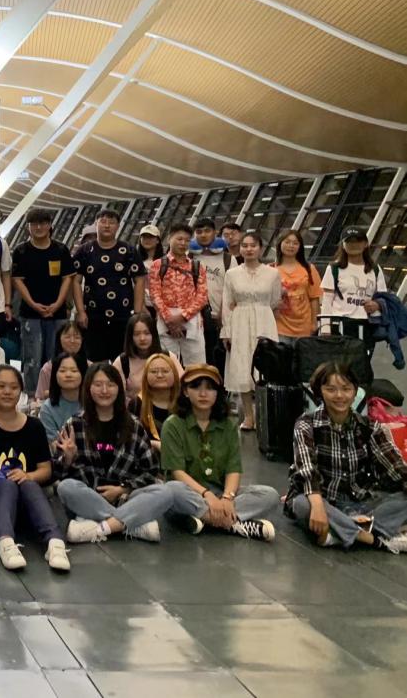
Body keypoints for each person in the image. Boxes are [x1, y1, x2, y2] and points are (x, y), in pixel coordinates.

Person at [286, 362, 407, 553]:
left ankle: (339, 534)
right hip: (324, 502)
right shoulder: (306, 424)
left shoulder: (369, 426)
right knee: (301, 504)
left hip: (361, 504)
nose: (340, 396)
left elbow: (395, 466)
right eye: (331, 389)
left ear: (355, 391)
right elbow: (307, 470)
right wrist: (317, 505)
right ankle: (372, 538)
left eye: (346, 389)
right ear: (320, 392)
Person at [0, 365, 69, 572]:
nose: (7, 392)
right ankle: (5, 542)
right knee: (7, 484)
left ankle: (55, 543)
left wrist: (28, 475)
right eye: (1, 386)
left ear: (21, 392)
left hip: (26, 499)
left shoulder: (34, 426)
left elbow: (46, 470)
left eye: (14, 387)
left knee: (29, 484)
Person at [55, 362, 171, 544]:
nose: (104, 390)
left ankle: (99, 527)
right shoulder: (75, 424)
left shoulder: (133, 425)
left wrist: (122, 489)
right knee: (66, 487)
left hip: (127, 497)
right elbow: (58, 473)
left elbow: (151, 471)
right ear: (88, 388)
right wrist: (67, 459)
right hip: (90, 496)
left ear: (119, 388)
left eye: (110, 384)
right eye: (98, 384)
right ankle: (131, 524)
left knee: (165, 491)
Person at [160, 364, 276, 541]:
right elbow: (177, 473)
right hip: (189, 493)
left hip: (220, 492)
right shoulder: (173, 424)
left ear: (218, 393)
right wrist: (206, 495)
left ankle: (206, 519)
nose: (203, 393)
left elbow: (233, 469)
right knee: (171, 490)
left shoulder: (228, 425)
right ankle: (233, 523)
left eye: (210, 388)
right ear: (185, 391)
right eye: (196, 387)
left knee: (269, 495)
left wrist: (227, 498)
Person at [221, 231, 282, 432]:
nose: (248, 249)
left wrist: (261, 311)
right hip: (239, 321)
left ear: (261, 249)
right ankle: (249, 415)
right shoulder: (232, 274)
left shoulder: (272, 273)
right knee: (242, 367)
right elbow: (227, 303)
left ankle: (266, 415)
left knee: (265, 367)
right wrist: (226, 331)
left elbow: (275, 300)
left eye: (253, 245)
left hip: (264, 320)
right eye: (244, 245)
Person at [11, 208, 74, 394]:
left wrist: (58, 303)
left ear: (49, 226)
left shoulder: (60, 249)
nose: (38, 227)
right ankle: (32, 397)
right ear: (28, 227)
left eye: (43, 223)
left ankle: (56, 394)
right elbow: (18, 280)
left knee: (57, 357)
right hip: (30, 314)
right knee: (32, 358)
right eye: (34, 224)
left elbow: (67, 279)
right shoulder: (21, 251)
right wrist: (33, 304)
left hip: (58, 314)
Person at [72, 208, 145, 362]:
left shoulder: (129, 251)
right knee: (94, 361)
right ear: (96, 224)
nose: (107, 225)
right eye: (103, 221)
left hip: (123, 316)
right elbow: (76, 281)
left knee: (124, 360)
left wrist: (137, 313)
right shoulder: (84, 251)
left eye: (111, 222)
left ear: (118, 226)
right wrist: (80, 311)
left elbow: (139, 280)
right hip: (93, 316)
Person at [320, 226, 387, 358]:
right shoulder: (334, 268)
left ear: (365, 244)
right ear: (343, 245)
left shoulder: (375, 269)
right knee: (339, 365)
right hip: (340, 324)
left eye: (358, 241)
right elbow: (327, 301)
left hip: (366, 325)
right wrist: (325, 327)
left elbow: (383, 296)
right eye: (349, 241)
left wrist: (377, 305)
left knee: (362, 364)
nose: (354, 245)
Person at [149, 222, 208, 368]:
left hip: (192, 322)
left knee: (196, 367)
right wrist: (170, 320)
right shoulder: (158, 265)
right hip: (165, 323)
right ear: (170, 238)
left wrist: (182, 317)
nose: (183, 243)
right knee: (167, 365)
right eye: (179, 239)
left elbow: (202, 297)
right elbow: (155, 295)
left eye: (187, 240)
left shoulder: (197, 266)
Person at [190, 217, 234, 373]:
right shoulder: (189, 258)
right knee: (199, 362)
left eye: (207, 231)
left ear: (215, 233)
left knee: (221, 361)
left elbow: (232, 289)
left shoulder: (228, 259)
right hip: (195, 319)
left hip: (221, 318)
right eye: (199, 232)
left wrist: (224, 313)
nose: (203, 235)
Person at [113, 312, 180, 400]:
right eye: (137, 334)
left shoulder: (168, 356)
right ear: (130, 337)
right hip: (135, 407)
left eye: (147, 333)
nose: (142, 338)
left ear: (154, 334)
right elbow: (116, 393)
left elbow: (182, 384)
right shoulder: (122, 361)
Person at [272, 229, 322, 342]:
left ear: (300, 247)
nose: (291, 246)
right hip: (278, 327)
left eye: (295, 243)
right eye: (287, 242)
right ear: (280, 244)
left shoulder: (309, 269)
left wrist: (314, 323)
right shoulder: (271, 269)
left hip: (304, 327)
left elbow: (314, 299)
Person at [128, 352, 181, 451]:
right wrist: (153, 444)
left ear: (174, 374)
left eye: (165, 371)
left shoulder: (184, 402)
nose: (160, 375)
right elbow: (130, 437)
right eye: (153, 371)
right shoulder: (136, 404)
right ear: (146, 376)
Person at [39, 351, 86, 446]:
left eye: (74, 371)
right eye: (62, 371)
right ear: (55, 375)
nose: (68, 375)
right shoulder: (47, 408)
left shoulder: (93, 402)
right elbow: (53, 446)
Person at [35, 320, 85, 401]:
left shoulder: (90, 367)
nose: (72, 341)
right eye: (67, 337)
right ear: (59, 339)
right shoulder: (48, 368)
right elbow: (40, 398)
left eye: (77, 337)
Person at [135, 223, 163, 315]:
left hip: (162, 308)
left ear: (158, 240)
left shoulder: (165, 262)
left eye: (151, 237)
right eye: (144, 237)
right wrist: (142, 307)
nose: (147, 240)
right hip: (141, 307)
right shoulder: (135, 261)